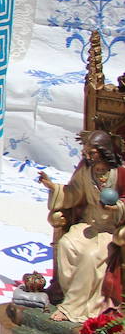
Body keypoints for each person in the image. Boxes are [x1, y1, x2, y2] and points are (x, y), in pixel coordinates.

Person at [38, 130, 125, 322]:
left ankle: (73, 308)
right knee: (67, 245)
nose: (87, 156)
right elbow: (74, 193)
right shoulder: (86, 169)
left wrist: (115, 208)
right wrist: (53, 188)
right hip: (88, 223)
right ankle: (71, 295)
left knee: (90, 256)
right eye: (85, 152)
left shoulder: (120, 173)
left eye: (91, 153)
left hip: (110, 229)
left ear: (104, 152)